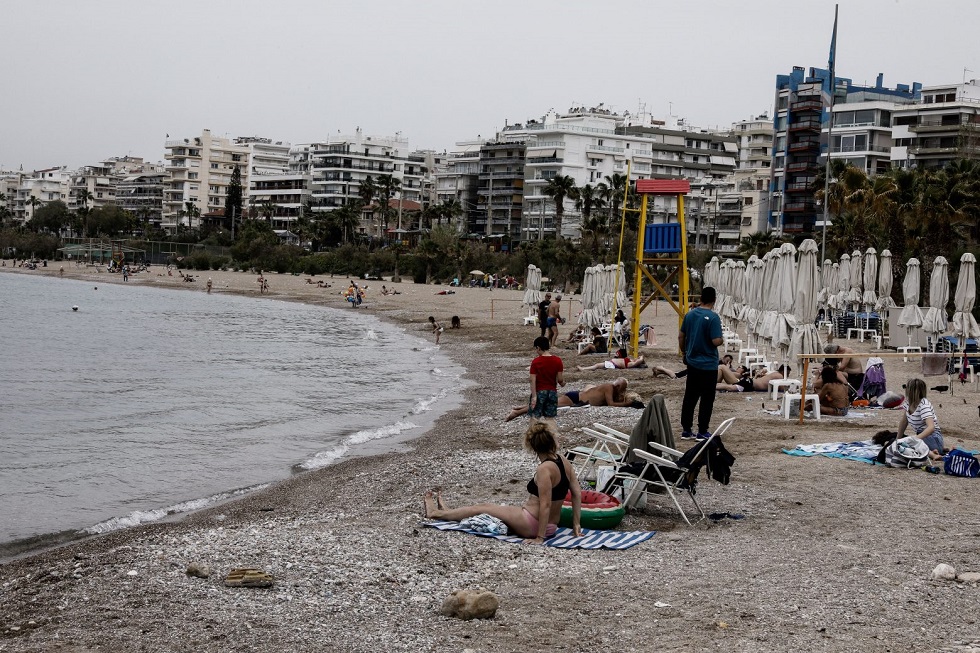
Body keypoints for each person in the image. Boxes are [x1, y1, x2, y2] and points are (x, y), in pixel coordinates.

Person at [423, 422, 582, 543]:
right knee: (487, 508)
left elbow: (545, 505)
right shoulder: (563, 461)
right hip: (551, 527)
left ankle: (435, 513)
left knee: (481, 507)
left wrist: (539, 538)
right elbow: (576, 493)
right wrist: (576, 525)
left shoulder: (544, 469)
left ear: (533, 448)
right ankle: (448, 513)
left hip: (533, 524)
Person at [679, 286, 724, 440]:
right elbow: (715, 341)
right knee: (706, 399)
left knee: (690, 397)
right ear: (714, 300)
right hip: (708, 365)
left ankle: (686, 429)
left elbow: (681, 336)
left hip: (692, 362)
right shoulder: (713, 318)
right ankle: (702, 430)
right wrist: (721, 339)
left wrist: (684, 352)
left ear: (700, 298)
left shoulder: (690, 315)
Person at [505, 378, 639, 421]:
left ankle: (520, 408)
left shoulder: (609, 389)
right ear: (618, 386)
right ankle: (517, 412)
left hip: (576, 398)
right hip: (574, 398)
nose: (622, 391)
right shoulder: (609, 387)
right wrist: (627, 404)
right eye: (623, 388)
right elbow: (611, 404)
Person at [898, 378, 945, 461]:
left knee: (908, 444)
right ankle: (933, 451)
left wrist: (915, 439)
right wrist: (897, 439)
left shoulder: (923, 405)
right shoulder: (908, 403)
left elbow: (931, 428)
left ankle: (932, 453)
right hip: (923, 436)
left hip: (933, 437)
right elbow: (904, 422)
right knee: (902, 442)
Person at [527, 336, 565, 424]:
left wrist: (534, 396)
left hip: (540, 392)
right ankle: (552, 435)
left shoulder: (536, 361)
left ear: (538, 348)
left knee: (535, 417)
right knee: (550, 418)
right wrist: (563, 383)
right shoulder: (557, 360)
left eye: (536, 349)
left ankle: (533, 436)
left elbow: (532, 380)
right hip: (552, 392)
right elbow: (560, 379)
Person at [577, 348, 646, 371]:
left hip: (612, 364)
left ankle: (583, 369)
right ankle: (584, 368)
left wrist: (641, 358)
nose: (637, 358)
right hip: (611, 363)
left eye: (637, 358)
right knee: (598, 365)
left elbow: (639, 361)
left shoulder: (631, 364)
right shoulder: (630, 360)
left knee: (597, 365)